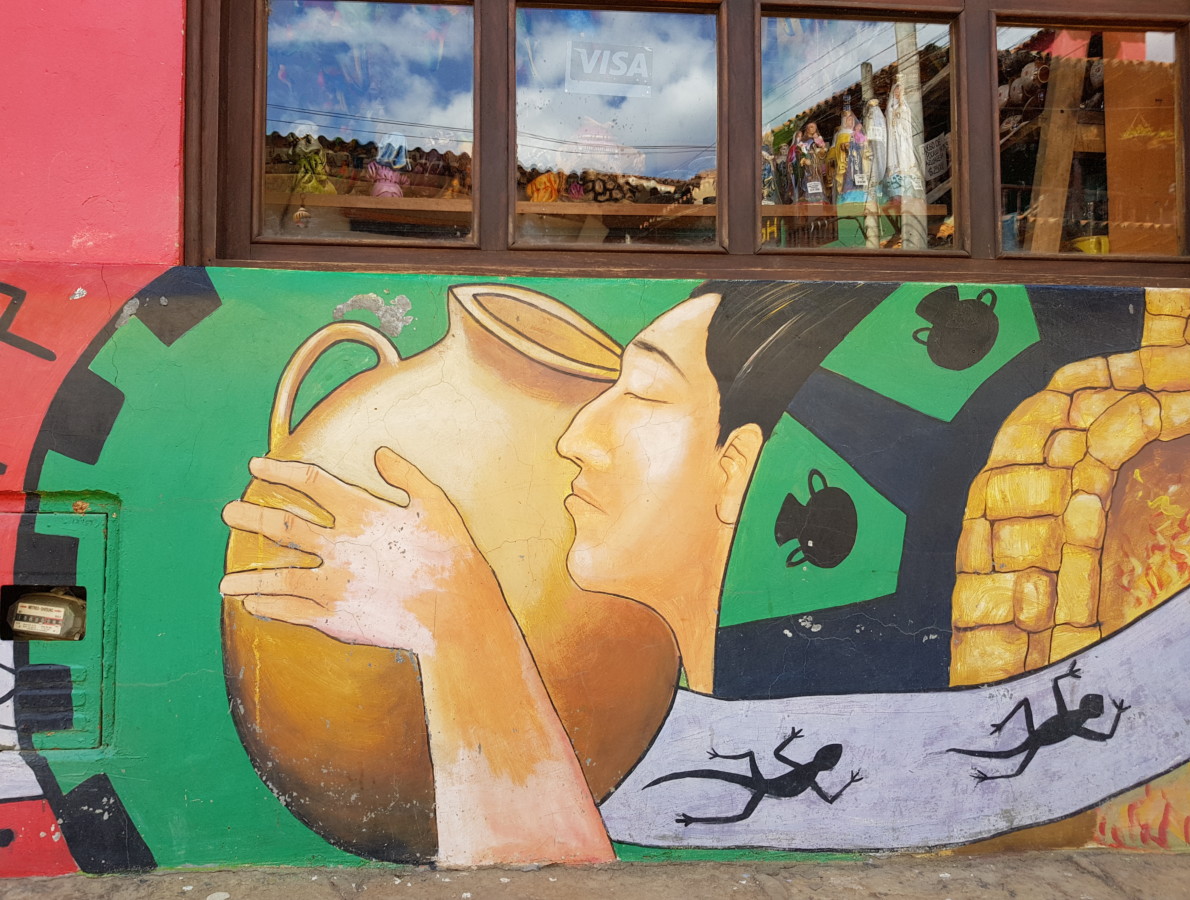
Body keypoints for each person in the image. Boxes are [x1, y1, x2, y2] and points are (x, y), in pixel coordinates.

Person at [219, 280, 874, 864]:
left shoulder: (852, 728)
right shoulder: (667, 732)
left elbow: (547, 867)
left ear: (733, 467)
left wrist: (461, 620)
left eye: (643, 393)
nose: (576, 437)